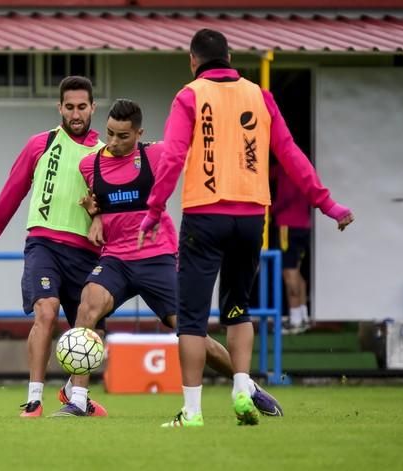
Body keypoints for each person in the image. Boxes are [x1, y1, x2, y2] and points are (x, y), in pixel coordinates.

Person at [139, 29, 354, 427]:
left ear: (193, 60)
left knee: (191, 318)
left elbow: (171, 159)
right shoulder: (259, 95)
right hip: (253, 218)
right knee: (238, 307)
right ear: (231, 57)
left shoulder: (189, 95)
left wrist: (153, 210)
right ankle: (241, 388)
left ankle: (193, 411)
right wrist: (328, 204)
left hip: (204, 216)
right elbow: (290, 154)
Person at [53, 98, 282, 420]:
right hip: (116, 259)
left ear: (139, 133)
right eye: (111, 134)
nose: (115, 143)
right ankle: (78, 399)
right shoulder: (88, 165)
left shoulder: (157, 154)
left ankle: (248, 386)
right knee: (87, 305)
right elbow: (98, 204)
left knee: (192, 333)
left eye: (123, 136)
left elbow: (199, 152)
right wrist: (94, 215)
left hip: (158, 258)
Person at [0, 76, 108, 418]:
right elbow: (11, 194)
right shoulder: (40, 145)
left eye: (82, 107)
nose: (76, 114)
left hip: (86, 254)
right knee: (46, 310)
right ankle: (34, 399)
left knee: (85, 329)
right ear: (59, 107)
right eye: (69, 107)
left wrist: (99, 218)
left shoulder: (103, 154)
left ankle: (77, 398)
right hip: (43, 244)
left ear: (93, 108)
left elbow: (111, 211)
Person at [271, 163, 312, 334]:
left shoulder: (287, 167)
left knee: (289, 273)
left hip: (288, 225)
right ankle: (303, 316)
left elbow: (286, 195)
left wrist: (269, 208)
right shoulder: (304, 167)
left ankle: (294, 320)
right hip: (304, 224)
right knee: (297, 271)